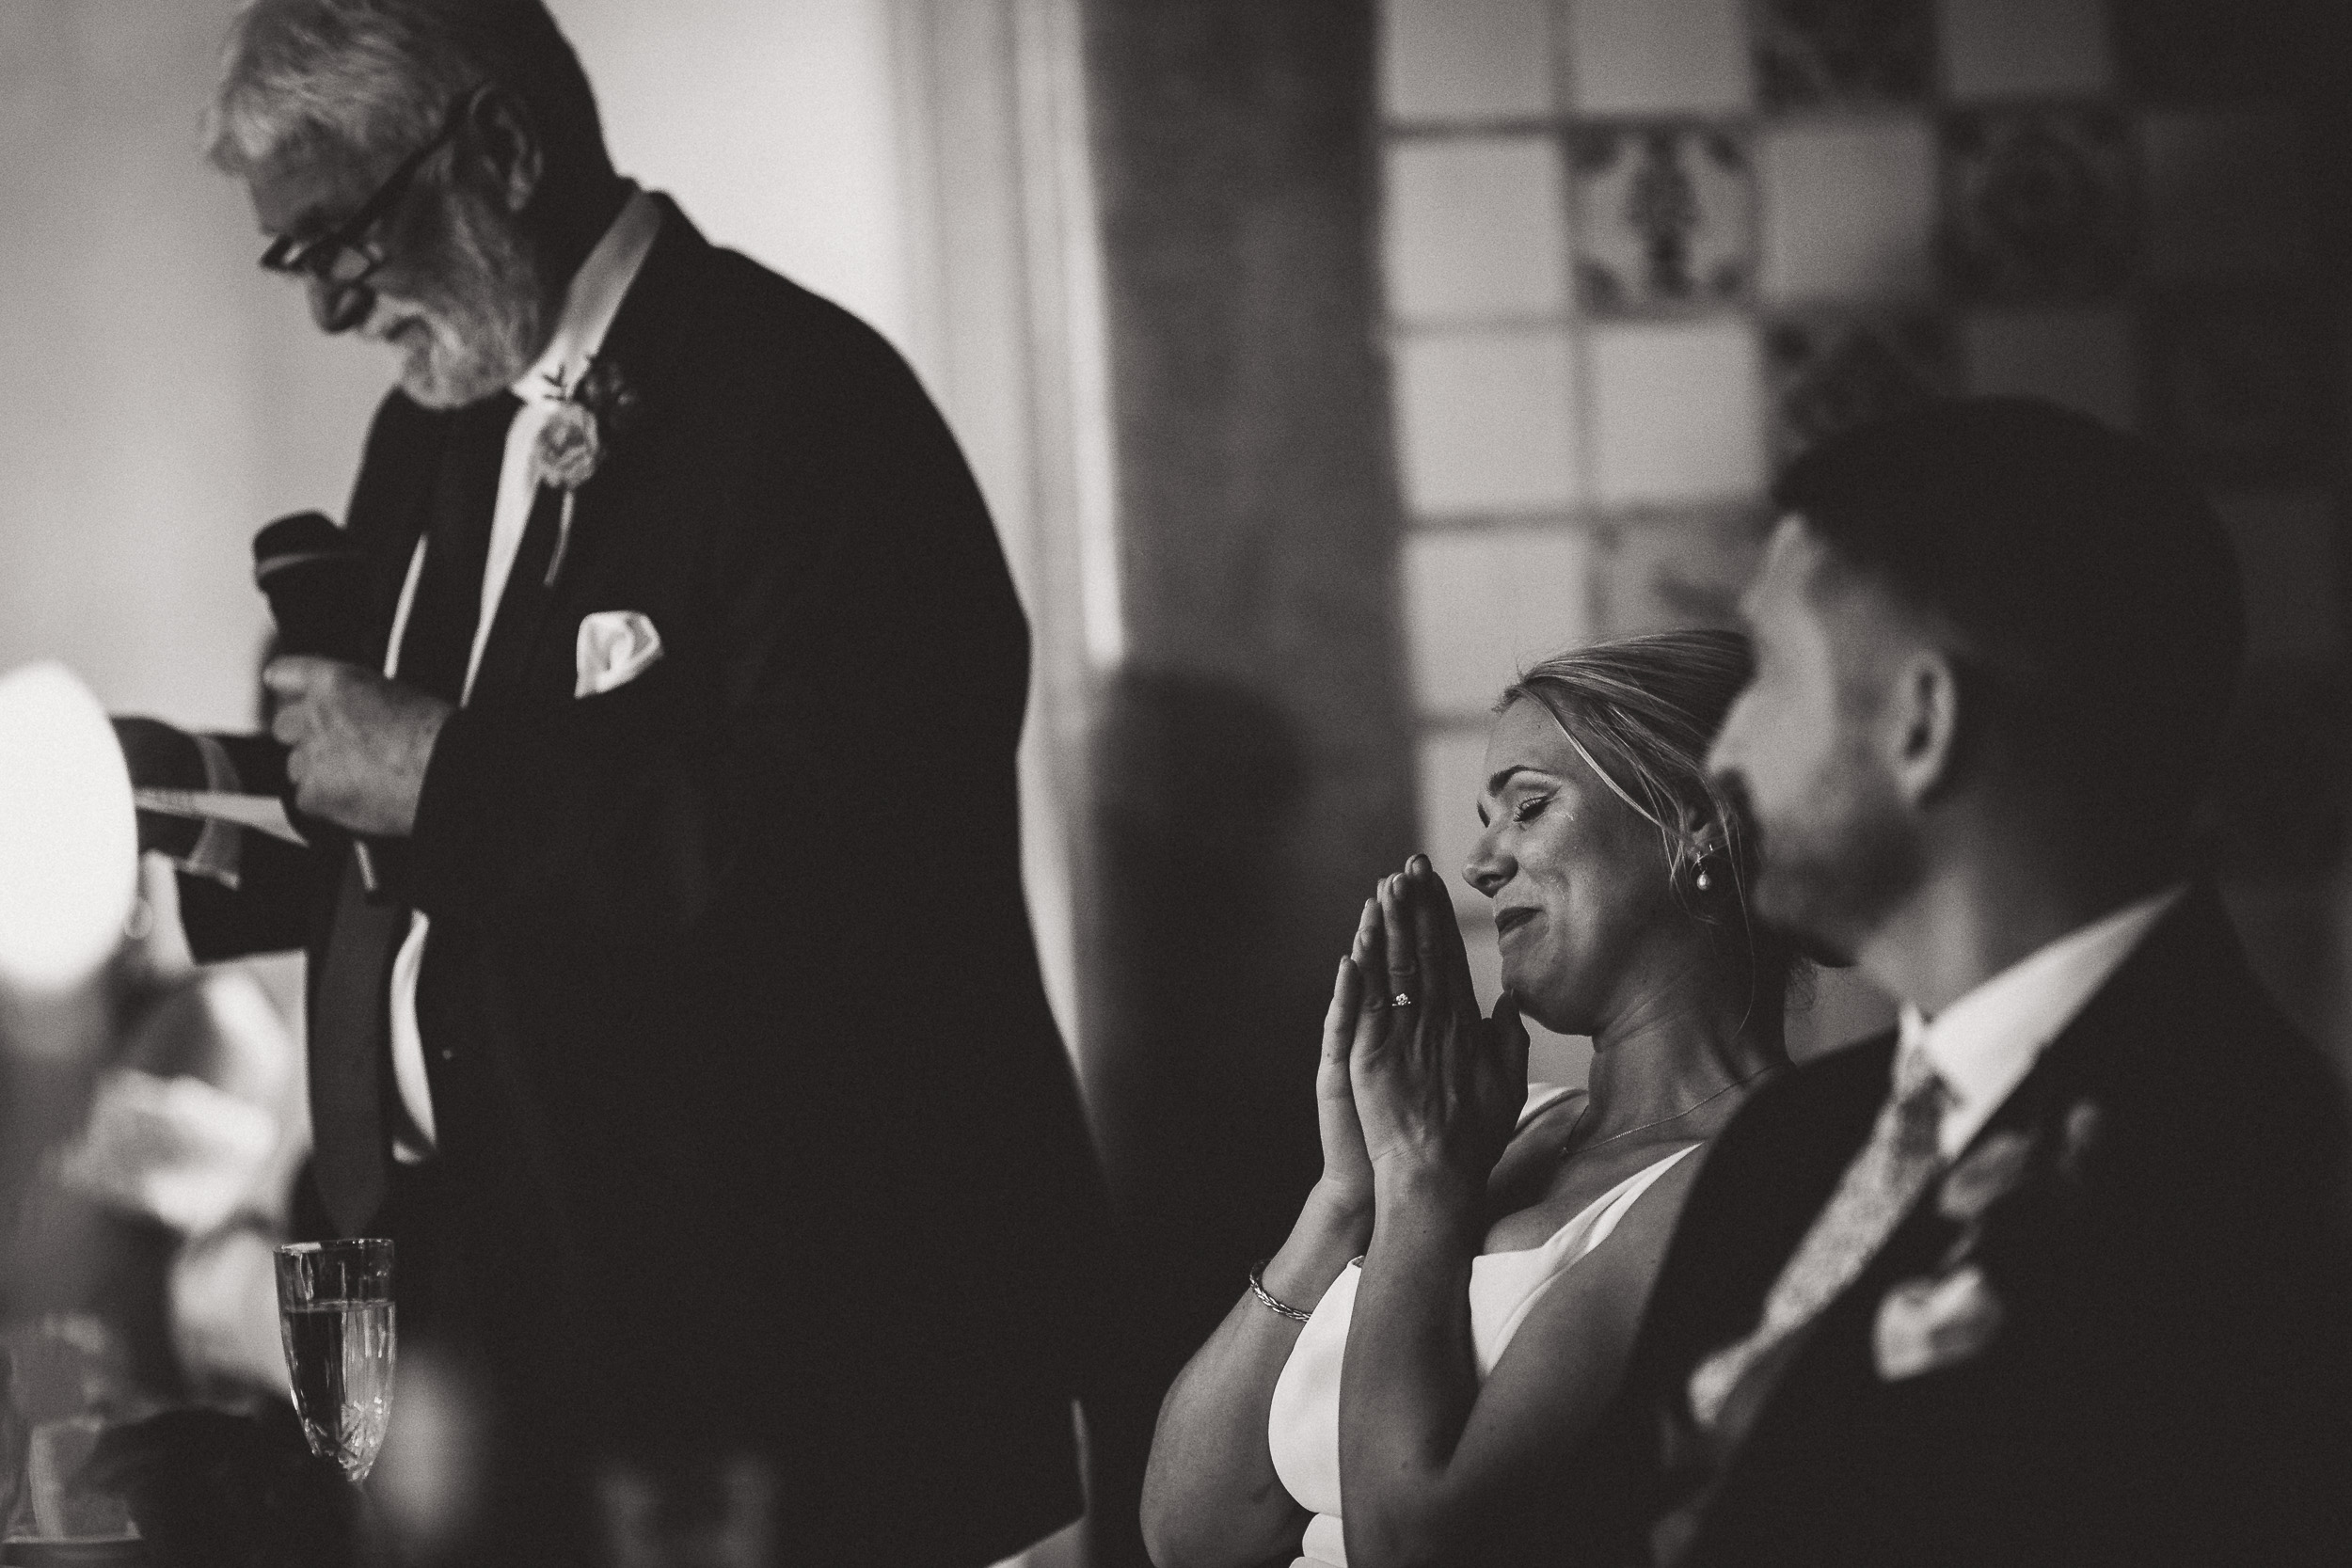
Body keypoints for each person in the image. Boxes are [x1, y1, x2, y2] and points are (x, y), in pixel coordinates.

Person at [111, 1, 1110, 1560]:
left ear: (498, 150)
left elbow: (851, 870)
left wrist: (445, 773)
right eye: (293, 260)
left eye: (341, 241)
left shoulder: (809, 410)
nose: (328, 311)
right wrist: (191, 807)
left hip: (785, 1335)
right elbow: (404, 836)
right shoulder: (428, 433)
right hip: (485, 1305)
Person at [1600, 397, 2352, 1566]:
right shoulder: (1786, 1140)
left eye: (1767, 674)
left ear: (1923, 721)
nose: (1724, 749)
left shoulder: (2272, 1199)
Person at [1142, 631, 1795, 1568]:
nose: (1481, 862)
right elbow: (1187, 1535)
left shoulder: (1755, 1171)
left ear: (1690, 816)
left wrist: (1419, 1197)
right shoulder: (1489, 1131)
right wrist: (1348, 1196)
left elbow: (1418, 1547)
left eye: (1527, 806)